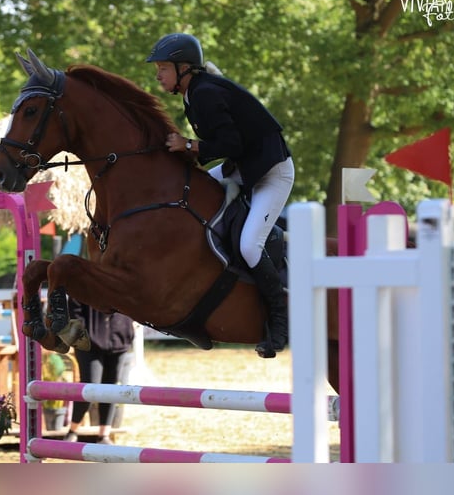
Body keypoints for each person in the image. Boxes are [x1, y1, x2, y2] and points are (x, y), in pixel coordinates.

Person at [146, 32, 295, 359]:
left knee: (248, 244)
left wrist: (188, 145)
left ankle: (280, 321)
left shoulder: (205, 94)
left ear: (184, 68)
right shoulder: (192, 94)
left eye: (162, 68)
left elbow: (232, 145)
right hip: (244, 168)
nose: (157, 75)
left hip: (271, 173)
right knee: (191, 193)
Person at [63, 298, 135, 444]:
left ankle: (104, 435)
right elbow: (74, 310)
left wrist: (128, 326)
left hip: (119, 337)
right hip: (89, 343)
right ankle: (73, 430)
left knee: (111, 386)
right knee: (90, 384)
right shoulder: (82, 278)